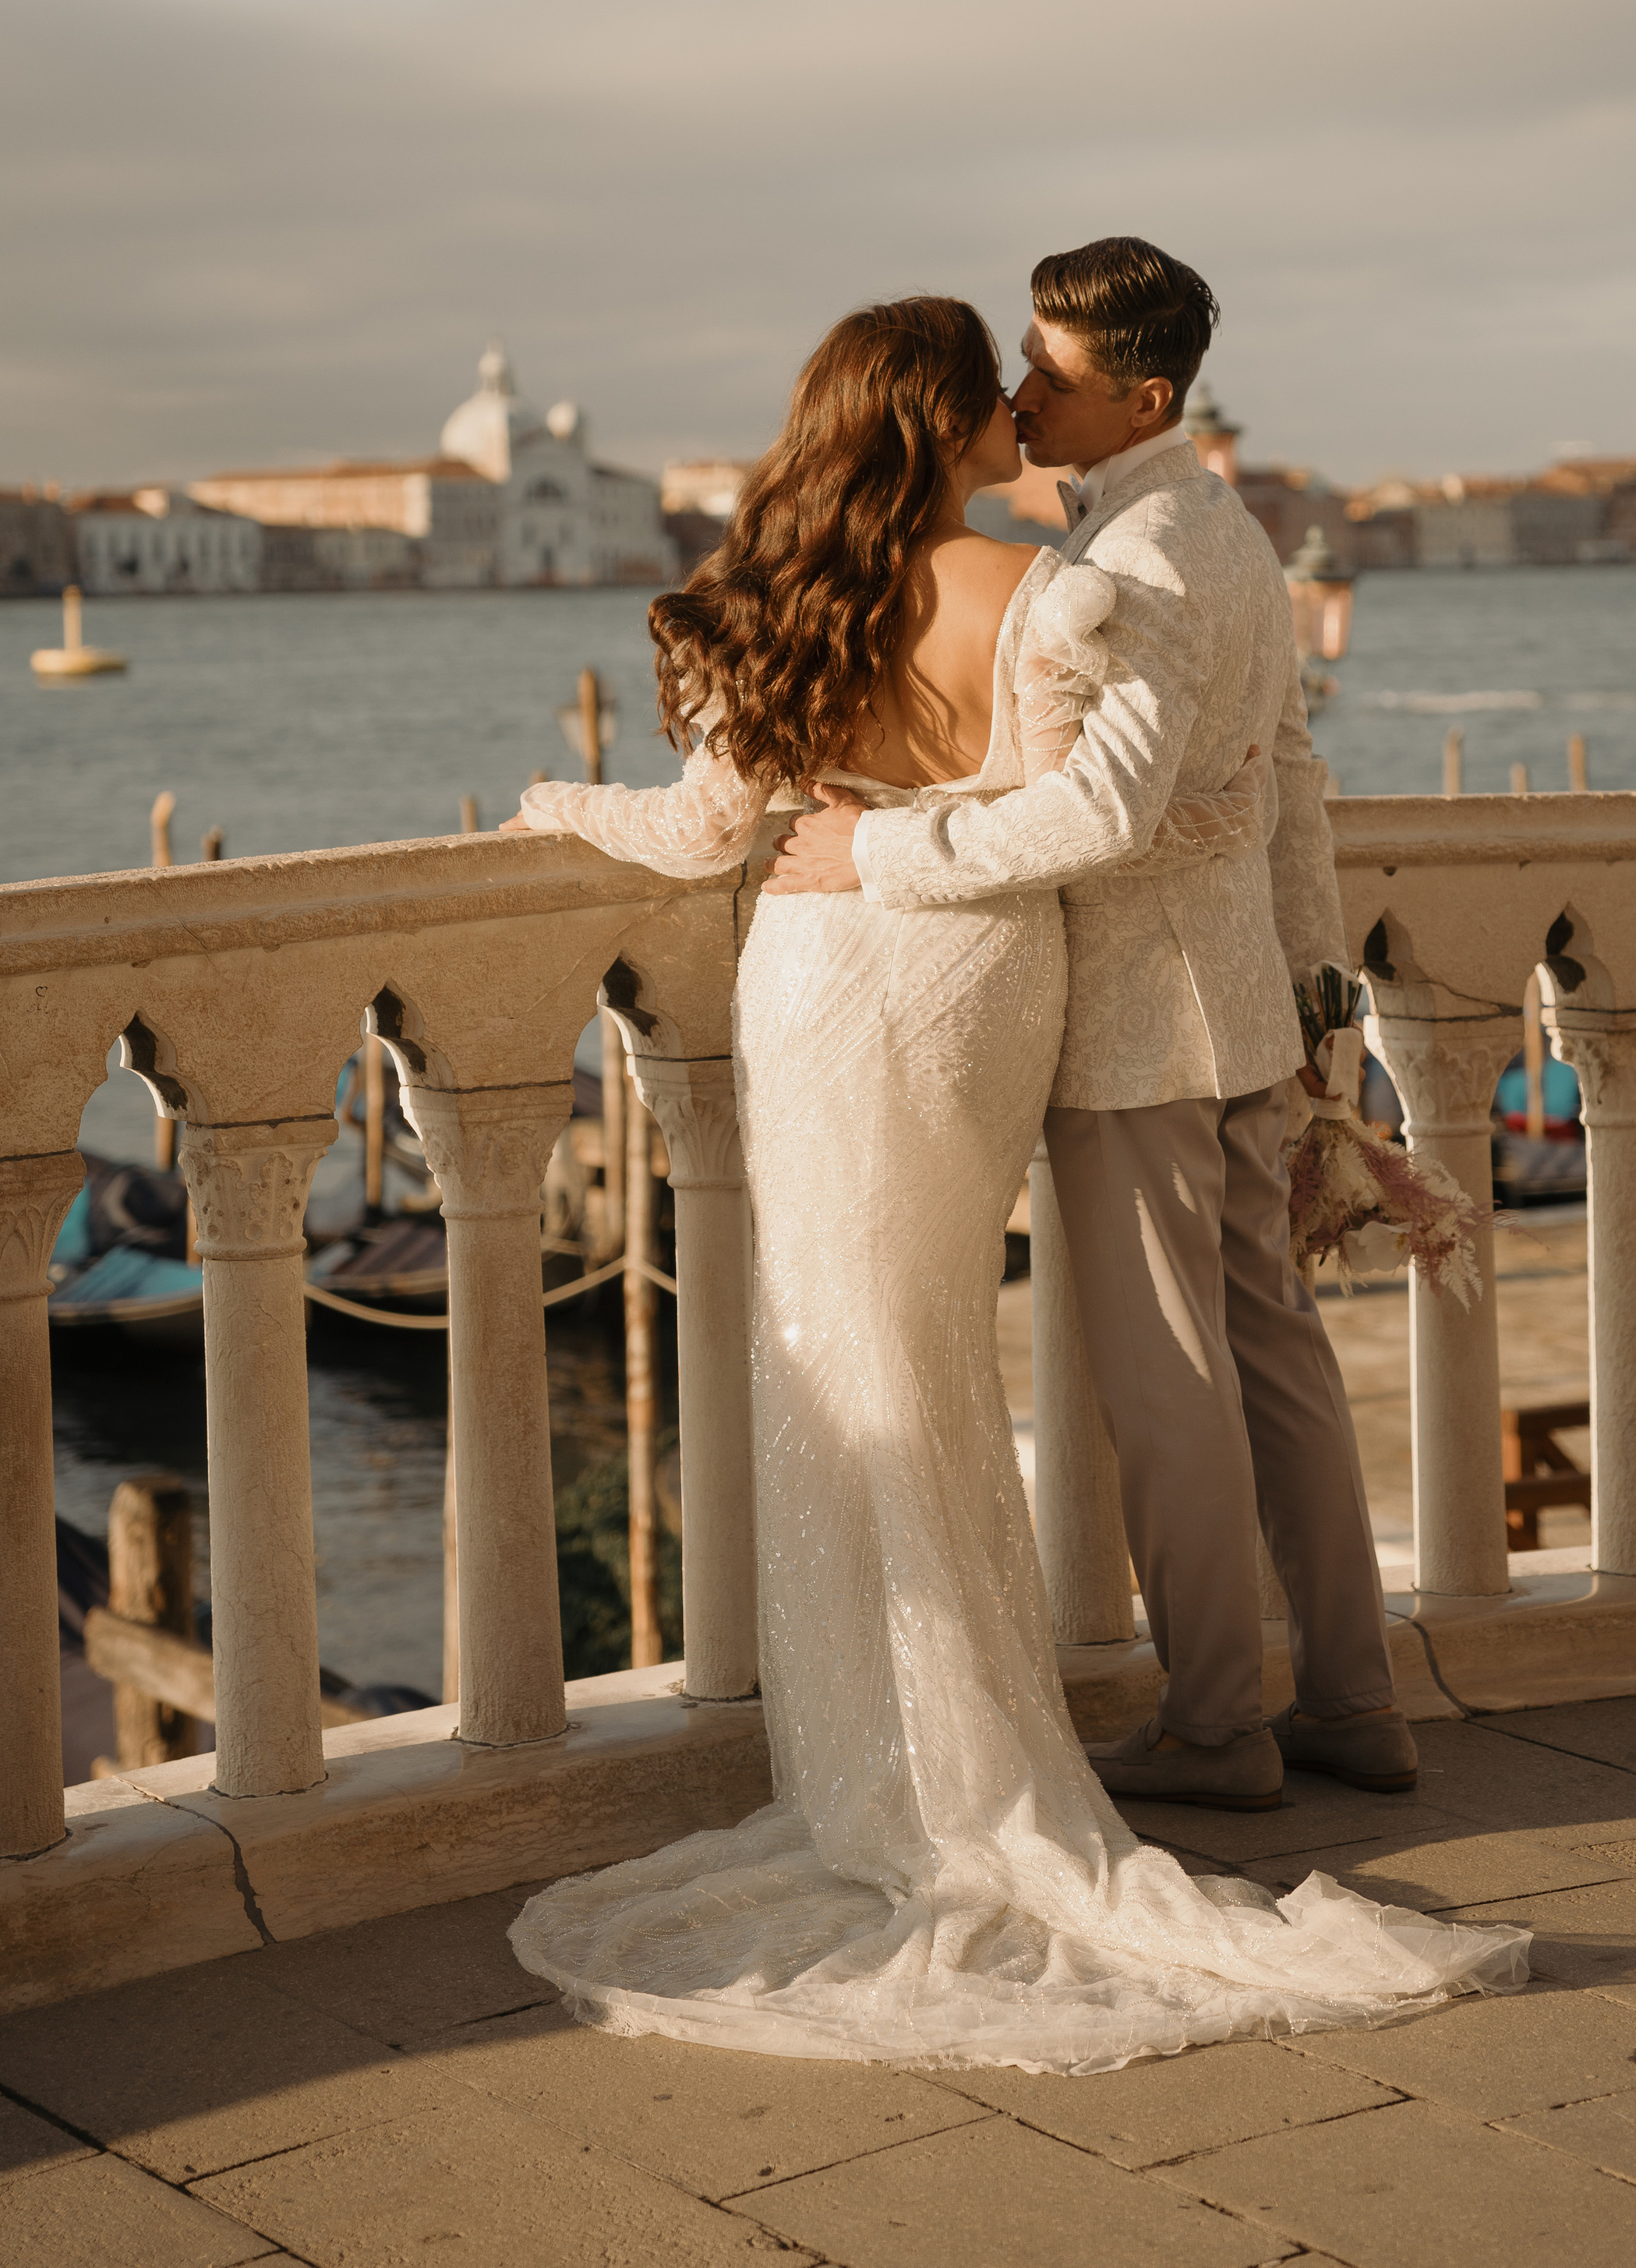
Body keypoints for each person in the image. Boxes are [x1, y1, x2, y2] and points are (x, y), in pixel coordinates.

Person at [502, 289, 1525, 2073]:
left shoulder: (777, 599)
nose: (1013, 402)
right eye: (992, 384)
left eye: (1033, 375)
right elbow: (1143, 801)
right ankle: (1030, 1744)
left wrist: (540, 805)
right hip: (992, 990)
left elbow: (697, 835)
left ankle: (904, 1762)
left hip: (826, 976)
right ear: (938, 424)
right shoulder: (1055, 595)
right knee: (932, 1358)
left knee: (847, 1350)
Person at [776, 239, 1419, 1812]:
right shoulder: (1238, 537)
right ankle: (1348, 1700)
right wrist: (1315, 981)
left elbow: (1104, 814)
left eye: (1046, 375)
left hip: (1136, 1031)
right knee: (1270, 1361)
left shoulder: (1124, 565)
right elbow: (1290, 783)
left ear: (1134, 395)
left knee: (1168, 1389)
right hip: (1242, 1012)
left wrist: (878, 848)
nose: (1015, 392)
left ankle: (1218, 1728)